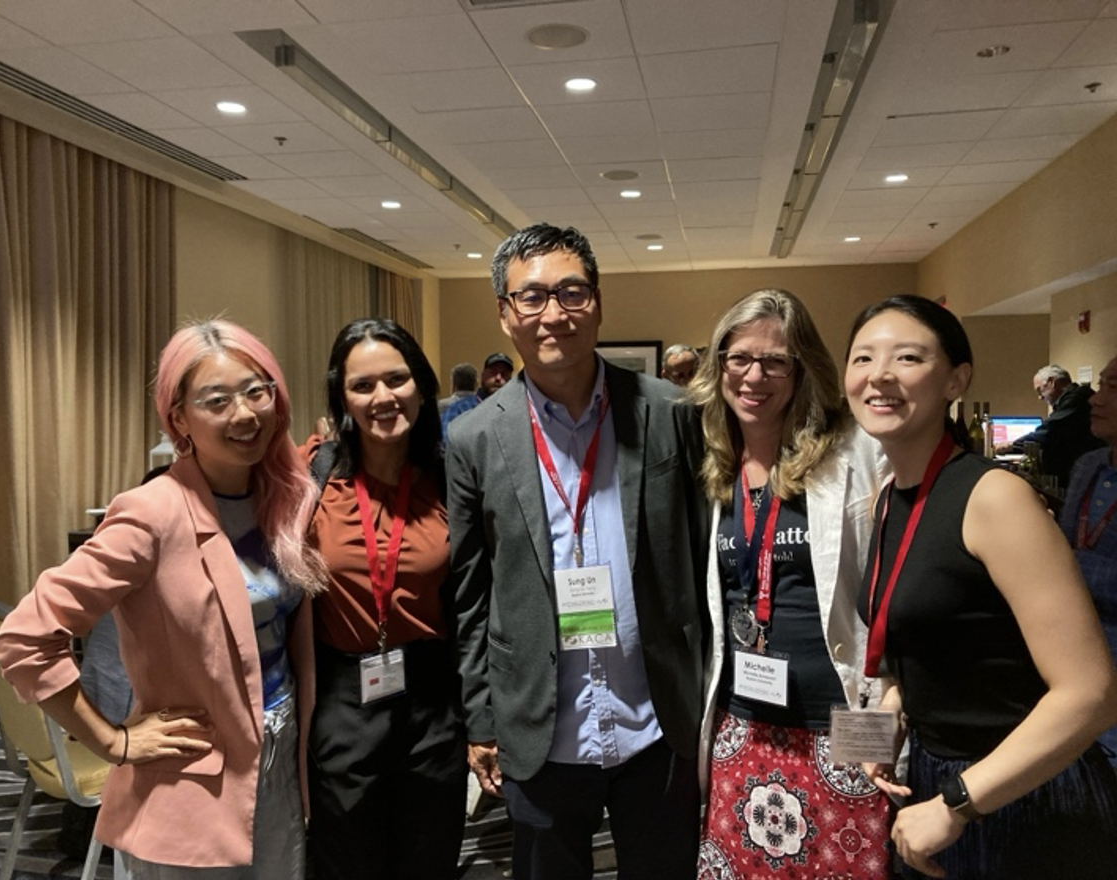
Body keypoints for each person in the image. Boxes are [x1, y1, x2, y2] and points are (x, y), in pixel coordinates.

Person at [0, 319, 325, 877]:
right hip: (193, 778)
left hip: (279, 762)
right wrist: (112, 741)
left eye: (255, 391)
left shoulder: (283, 499)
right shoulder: (152, 512)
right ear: (179, 420)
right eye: (216, 401)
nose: (244, 414)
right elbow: (23, 640)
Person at [446, 223, 707, 880]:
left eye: (571, 292)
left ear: (597, 301)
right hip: (540, 729)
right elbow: (469, 594)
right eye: (531, 297)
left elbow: (706, 558)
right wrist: (480, 718)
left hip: (658, 723)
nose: (554, 313)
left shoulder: (670, 411)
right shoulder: (475, 438)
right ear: (505, 314)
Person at [845, 295, 1117, 880]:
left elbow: (1090, 692)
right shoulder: (887, 499)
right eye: (863, 358)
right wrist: (892, 714)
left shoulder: (994, 497)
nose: (880, 375)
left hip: (1025, 797)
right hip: (942, 786)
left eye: (908, 357)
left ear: (956, 380)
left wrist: (961, 801)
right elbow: (935, 642)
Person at [688, 289, 893, 878]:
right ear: (718, 366)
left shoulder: (855, 452)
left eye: (775, 361)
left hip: (845, 727)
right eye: (739, 359)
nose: (755, 376)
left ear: (801, 369)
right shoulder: (712, 464)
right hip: (740, 726)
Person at [305, 318, 465, 880]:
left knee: (429, 855)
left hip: (432, 698)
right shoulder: (311, 480)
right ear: (342, 397)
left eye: (396, 380)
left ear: (420, 385)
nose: (382, 398)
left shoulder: (452, 480)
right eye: (362, 385)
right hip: (343, 697)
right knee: (346, 858)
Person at [1060, 353, 1117, 771]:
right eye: (1099, 385)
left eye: (1113, 388)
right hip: (1070, 665)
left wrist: (1063, 566)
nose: (1095, 400)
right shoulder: (1088, 466)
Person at [1001, 364, 1103, 486]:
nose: (1040, 397)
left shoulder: (1077, 399)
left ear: (1051, 382)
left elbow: (1048, 431)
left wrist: (1011, 445)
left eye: (1040, 390)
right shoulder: (1071, 399)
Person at [440, 352, 513, 438]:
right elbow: (445, 444)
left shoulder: (515, 410)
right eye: (493, 372)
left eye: (504, 375)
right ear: (482, 375)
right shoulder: (460, 408)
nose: (498, 378)